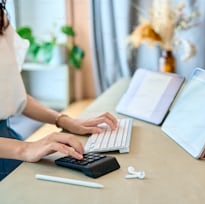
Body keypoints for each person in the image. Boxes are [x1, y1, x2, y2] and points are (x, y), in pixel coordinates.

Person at [0, 0, 117, 180]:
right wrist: (24, 149)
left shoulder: (2, 18)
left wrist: (64, 120)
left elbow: (14, 95)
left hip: (8, 143)